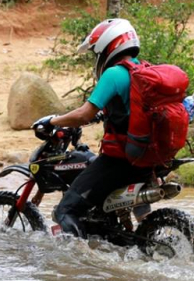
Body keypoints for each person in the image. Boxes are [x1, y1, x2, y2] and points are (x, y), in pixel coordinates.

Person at [33, 18, 156, 238]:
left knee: (66, 209)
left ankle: (79, 265)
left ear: (108, 45)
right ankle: (143, 235)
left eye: (96, 52)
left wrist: (51, 121)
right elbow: (129, 109)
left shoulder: (114, 74)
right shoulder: (142, 69)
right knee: (137, 213)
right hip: (146, 158)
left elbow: (83, 114)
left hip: (119, 162)